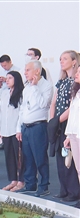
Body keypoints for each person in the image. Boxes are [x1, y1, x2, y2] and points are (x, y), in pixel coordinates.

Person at [16, 60, 53, 196]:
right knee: (28, 158)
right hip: (26, 127)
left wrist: (35, 87)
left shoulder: (47, 86)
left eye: (28, 70)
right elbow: (22, 109)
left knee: (40, 157)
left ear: (37, 71)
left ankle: (44, 186)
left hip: (38, 126)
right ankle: (30, 184)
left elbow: (43, 104)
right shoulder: (26, 87)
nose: (25, 73)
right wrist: (18, 128)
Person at [50, 50, 80, 202]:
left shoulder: (75, 81)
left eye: (65, 59)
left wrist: (58, 120)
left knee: (71, 158)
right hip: (59, 123)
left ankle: (74, 191)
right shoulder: (61, 81)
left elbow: (72, 107)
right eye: (60, 59)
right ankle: (64, 188)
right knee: (60, 157)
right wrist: (52, 121)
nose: (61, 61)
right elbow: (53, 103)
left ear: (74, 61)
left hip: (69, 122)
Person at [0, 72, 25, 192]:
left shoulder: (22, 93)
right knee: (9, 156)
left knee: (20, 156)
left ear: (16, 79)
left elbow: (21, 113)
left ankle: (21, 180)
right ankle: (13, 180)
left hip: (16, 130)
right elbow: (0, 113)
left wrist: (19, 129)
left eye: (10, 78)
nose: (7, 80)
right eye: (6, 78)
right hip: (5, 130)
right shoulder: (4, 93)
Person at [64, 66, 80, 208]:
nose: (76, 74)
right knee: (78, 168)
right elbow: (72, 116)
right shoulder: (76, 91)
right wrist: (68, 135)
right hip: (74, 133)